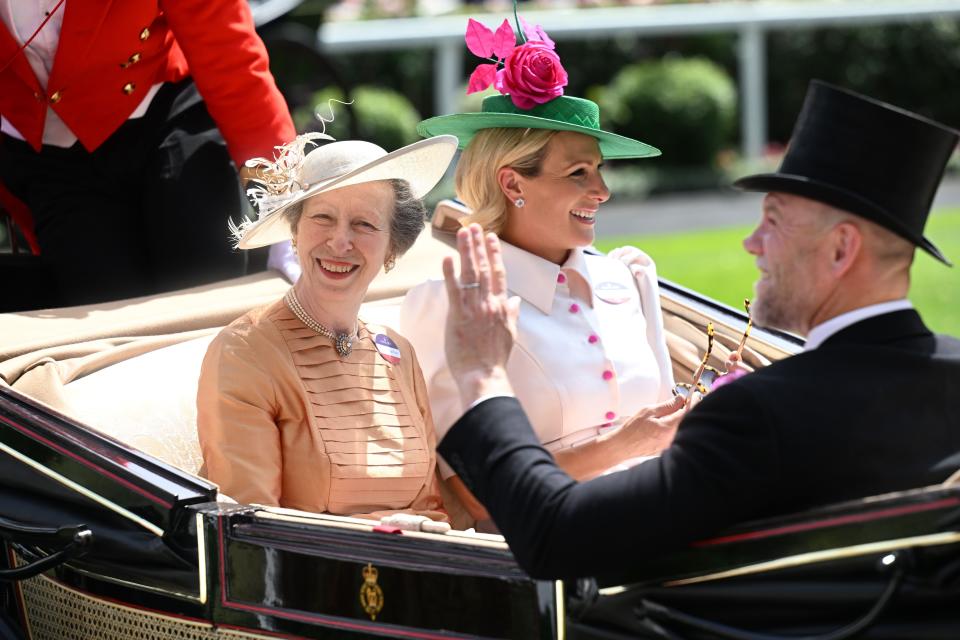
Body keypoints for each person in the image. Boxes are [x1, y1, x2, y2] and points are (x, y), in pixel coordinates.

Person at [435, 81, 960, 580]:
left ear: (842, 250)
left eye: (772, 221)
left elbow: (556, 533)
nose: (752, 243)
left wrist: (483, 378)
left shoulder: (759, 414)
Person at [400, 15, 675, 523]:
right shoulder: (448, 303)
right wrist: (621, 447)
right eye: (578, 173)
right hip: (547, 559)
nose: (602, 191)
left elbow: (666, 434)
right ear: (513, 184)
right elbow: (477, 495)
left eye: (599, 169)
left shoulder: (625, 278)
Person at [197, 134, 458, 522]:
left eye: (364, 224)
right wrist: (384, 532)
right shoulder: (244, 352)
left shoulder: (398, 352)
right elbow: (250, 527)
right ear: (295, 231)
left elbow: (430, 511)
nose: (340, 241)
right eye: (322, 218)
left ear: (391, 248)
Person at [0, 0, 296, 306]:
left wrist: (284, 200)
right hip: (52, 156)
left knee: (206, 297)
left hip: (166, 116)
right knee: (107, 323)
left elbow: (227, 51)